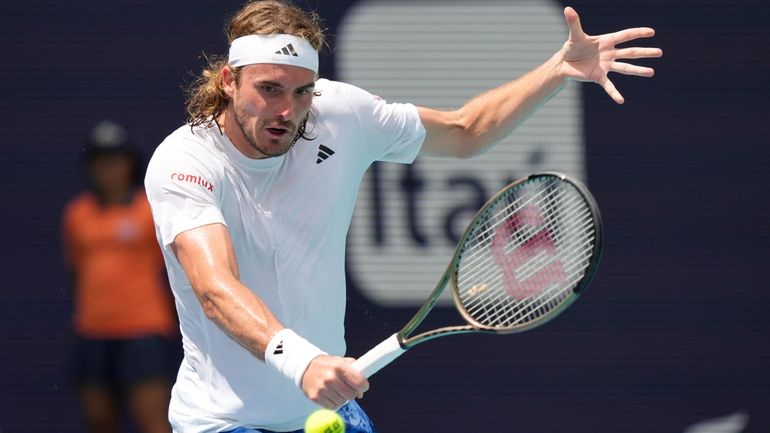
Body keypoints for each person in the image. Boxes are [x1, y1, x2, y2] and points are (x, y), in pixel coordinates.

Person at [143, 1, 662, 432]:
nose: (287, 110)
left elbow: (465, 130)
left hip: (325, 410)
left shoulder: (340, 115)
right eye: (269, 89)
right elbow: (214, 289)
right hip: (223, 422)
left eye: (302, 92)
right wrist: (302, 362)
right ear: (229, 81)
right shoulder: (184, 162)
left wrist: (558, 70)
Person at [62, 120, 178, 433]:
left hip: (143, 331)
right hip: (93, 331)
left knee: (153, 422)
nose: (108, 168)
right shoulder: (76, 214)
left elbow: (171, 272)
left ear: (129, 164)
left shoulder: (149, 210)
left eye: (115, 160)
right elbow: (76, 270)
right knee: (99, 421)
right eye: (100, 161)